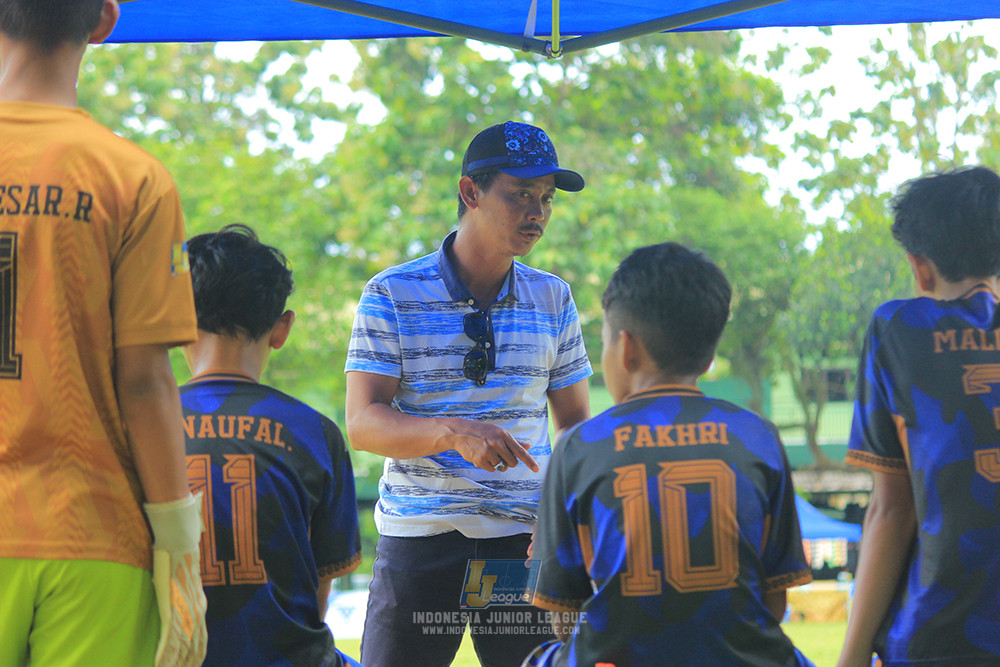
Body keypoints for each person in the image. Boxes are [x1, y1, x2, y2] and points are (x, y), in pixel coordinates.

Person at [0, 1, 207, 666]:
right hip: (92, 535)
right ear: (105, 20)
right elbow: (145, 382)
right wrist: (178, 543)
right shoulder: (134, 178)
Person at [344, 120, 593, 667]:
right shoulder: (391, 293)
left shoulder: (553, 297)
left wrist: (558, 517)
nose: (537, 212)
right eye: (521, 193)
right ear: (470, 192)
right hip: (420, 536)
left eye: (546, 198)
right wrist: (454, 433)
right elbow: (362, 423)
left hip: (521, 545)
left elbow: (575, 426)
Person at [524, 242, 814, 667]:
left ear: (626, 348)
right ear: (709, 356)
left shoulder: (578, 447)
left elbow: (564, 617)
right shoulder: (758, 436)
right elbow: (774, 600)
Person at [838, 166, 1000, 667]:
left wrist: (852, 655)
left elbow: (893, 509)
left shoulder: (898, 329)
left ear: (920, 267)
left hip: (938, 638)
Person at [181, 224, 363, 667]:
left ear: (177, 321)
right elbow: (316, 598)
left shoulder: (132, 429)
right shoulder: (316, 432)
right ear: (282, 329)